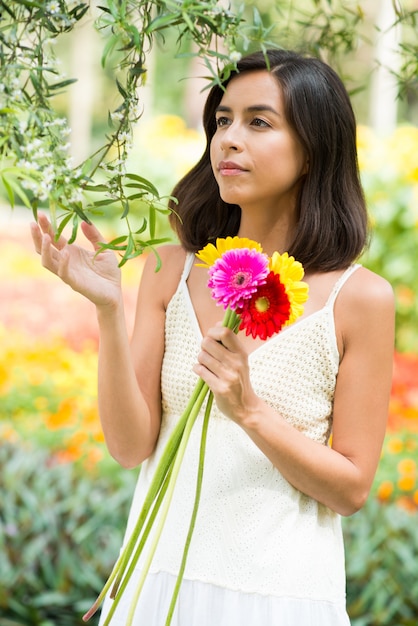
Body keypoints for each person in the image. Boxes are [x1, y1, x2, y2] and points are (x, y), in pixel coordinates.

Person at [31, 49, 395, 626]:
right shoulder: (168, 269)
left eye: (259, 122)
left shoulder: (361, 299)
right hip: (158, 584)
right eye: (222, 120)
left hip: (279, 597)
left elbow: (350, 489)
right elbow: (130, 448)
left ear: (313, 150)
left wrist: (250, 411)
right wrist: (107, 310)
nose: (228, 139)